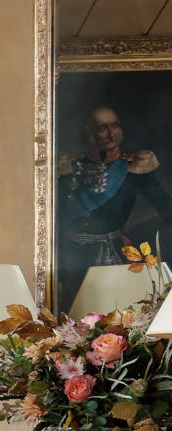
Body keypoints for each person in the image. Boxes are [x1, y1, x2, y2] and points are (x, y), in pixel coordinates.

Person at [59, 105, 172, 297]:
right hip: (70, 257)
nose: (112, 134)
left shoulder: (134, 168)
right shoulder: (69, 167)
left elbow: (166, 208)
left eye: (115, 126)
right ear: (89, 134)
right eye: (103, 128)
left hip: (111, 255)